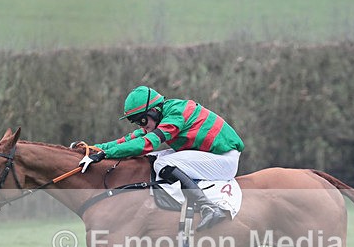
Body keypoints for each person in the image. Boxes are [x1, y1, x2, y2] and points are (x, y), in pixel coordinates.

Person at [79, 86, 244, 230]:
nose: (142, 126)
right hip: (210, 155)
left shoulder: (176, 113)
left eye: (142, 120)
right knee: (152, 160)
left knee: (163, 163)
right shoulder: (162, 116)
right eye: (137, 122)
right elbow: (129, 139)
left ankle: (207, 207)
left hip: (224, 160)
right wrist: (95, 148)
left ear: (154, 111)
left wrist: (104, 155)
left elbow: (146, 144)